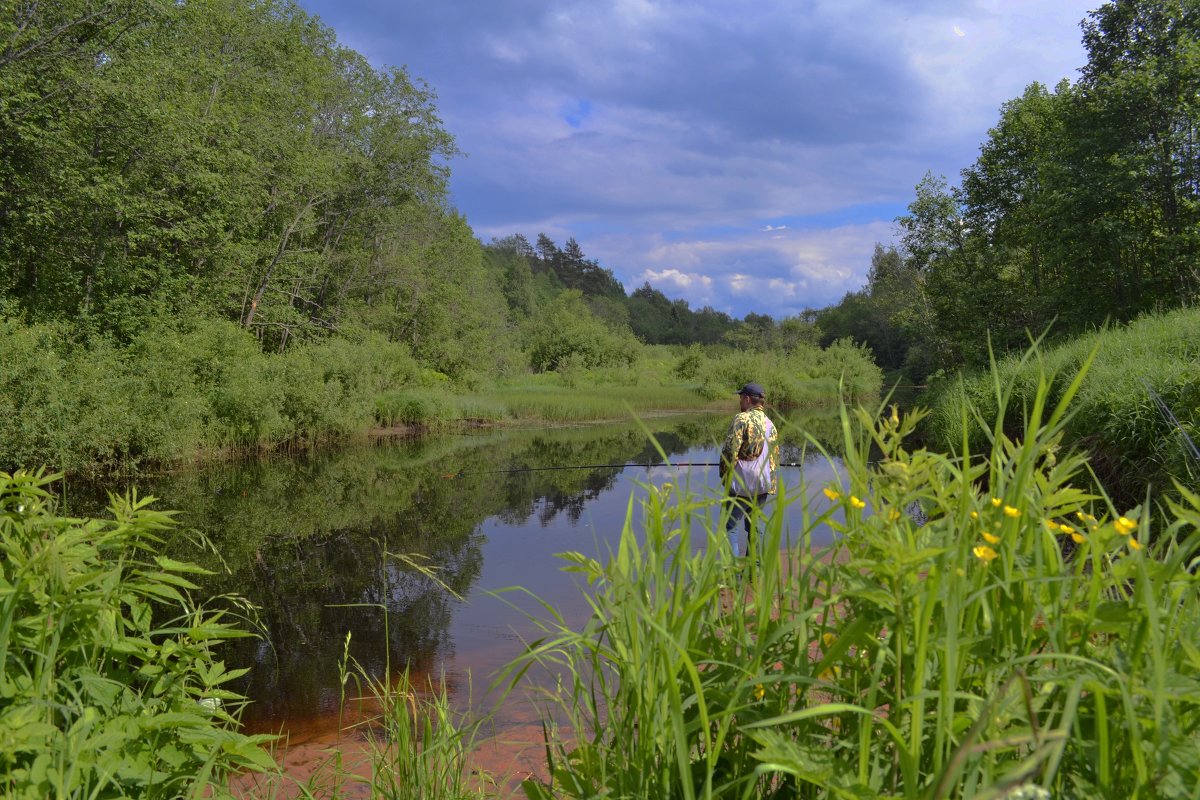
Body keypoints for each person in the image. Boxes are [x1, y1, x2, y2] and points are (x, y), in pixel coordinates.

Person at [719, 382, 778, 559]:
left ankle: (732, 571)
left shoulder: (742, 419)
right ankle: (755, 571)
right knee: (755, 526)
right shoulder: (771, 424)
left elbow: (730, 451)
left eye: (740, 398)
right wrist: (771, 486)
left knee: (731, 526)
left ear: (746, 398)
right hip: (763, 483)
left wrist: (724, 476)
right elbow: (774, 458)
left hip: (741, 482)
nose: (739, 402)